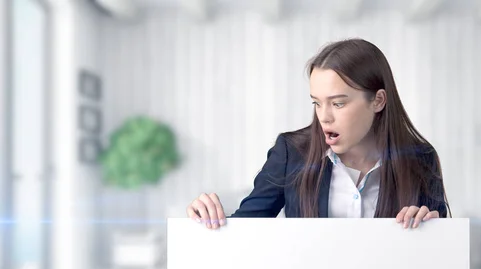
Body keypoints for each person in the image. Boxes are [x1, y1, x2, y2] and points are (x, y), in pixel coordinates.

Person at [186, 38, 451, 230]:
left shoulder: (420, 159)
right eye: (317, 102)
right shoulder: (292, 153)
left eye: (338, 103)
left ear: (378, 101)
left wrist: (430, 227)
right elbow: (244, 230)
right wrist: (206, 217)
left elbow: (439, 257)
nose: (324, 116)